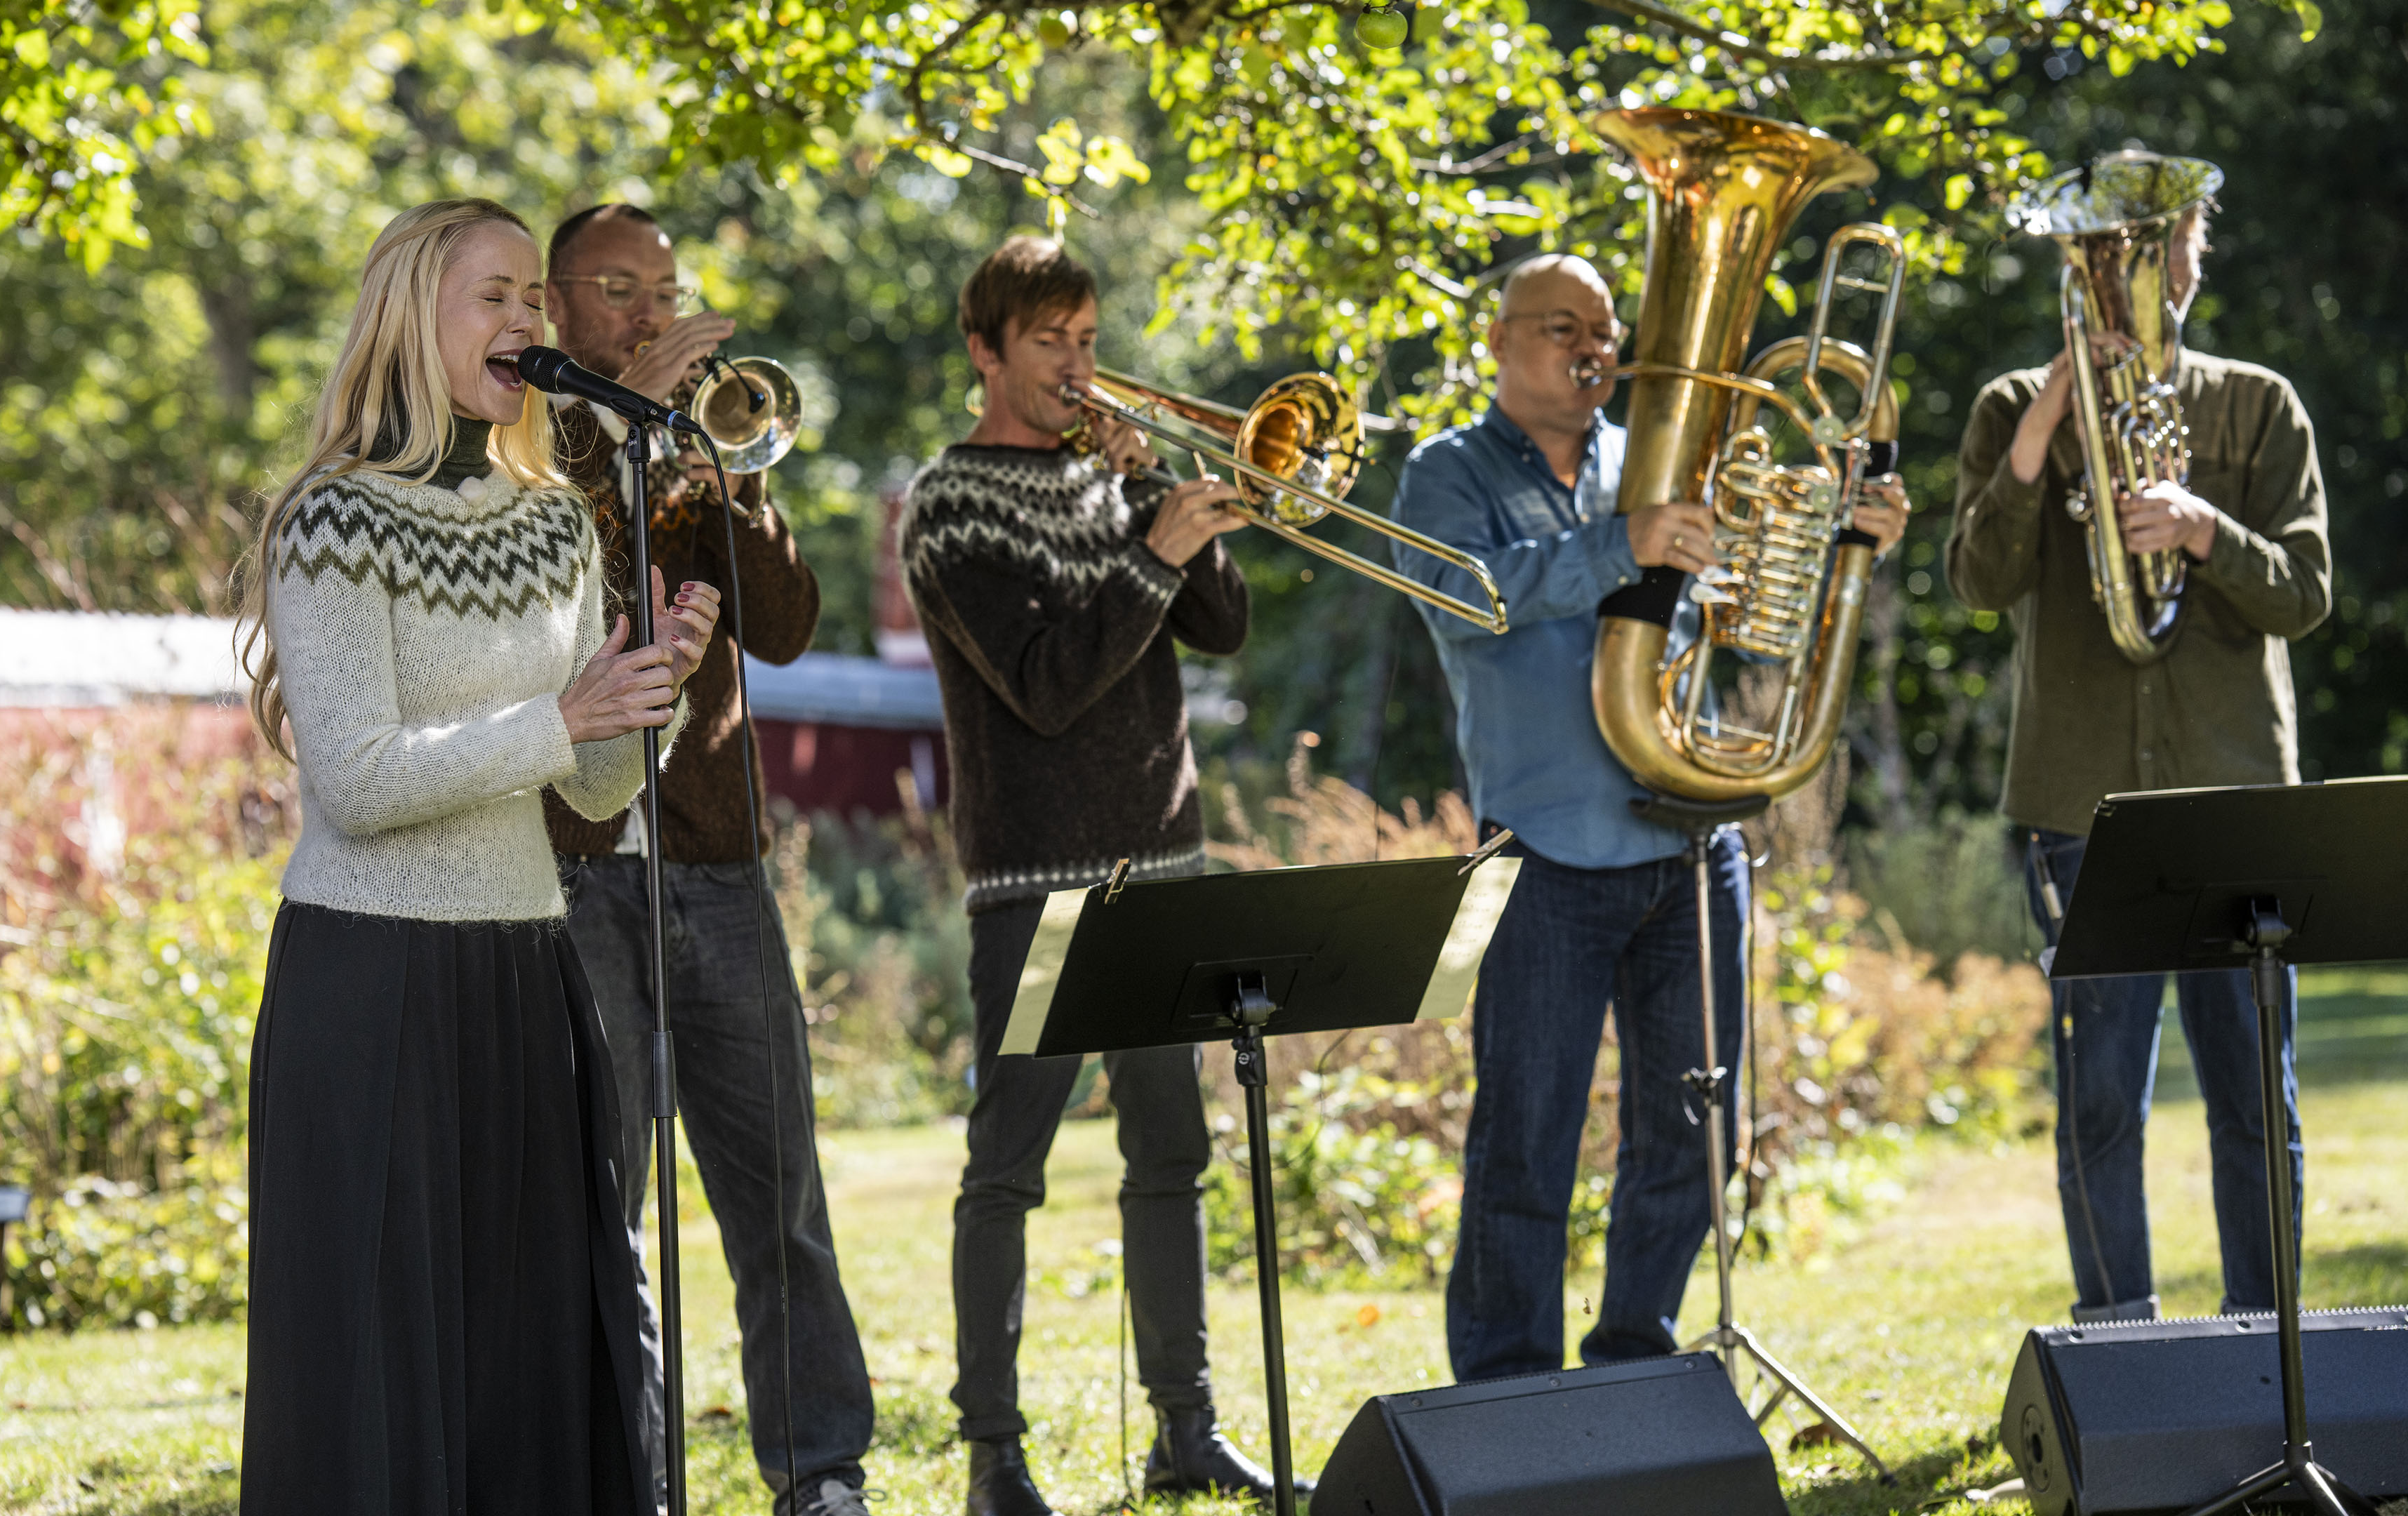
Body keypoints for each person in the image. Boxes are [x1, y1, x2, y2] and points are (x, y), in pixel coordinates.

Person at [232, 196, 720, 1514]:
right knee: (381, 1366)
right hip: (370, 987)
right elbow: (361, 781)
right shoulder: (332, 521)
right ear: (411, 316)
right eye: (494, 295)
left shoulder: (557, 523)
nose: (526, 321)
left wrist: (643, 696)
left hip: (524, 976)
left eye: (532, 301)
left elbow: (598, 788)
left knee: (533, 1356)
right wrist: (560, 714)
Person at [1388, 254, 1909, 1381]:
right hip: (1540, 851)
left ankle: (1639, 1368)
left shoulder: (1654, 459)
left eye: (1606, 329)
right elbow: (1463, 596)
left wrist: (1845, 541)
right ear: (1498, 340)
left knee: (1690, 1130)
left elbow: (1752, 610)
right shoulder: (1445, 471)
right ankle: (1507, 1394)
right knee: (1525, 1140)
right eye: (1562, 327)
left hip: (1687, 840)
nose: (1593, 349)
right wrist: (1623, 546)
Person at [900, 234, 1273, 1516]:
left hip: (1167, 866)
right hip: (1038, 883)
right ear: (986, 350)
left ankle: (1186, 1430)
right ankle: (994, 1460)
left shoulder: (1120, 488)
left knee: (1173, 1157)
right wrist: (1151, 548)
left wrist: (1167, 497)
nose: (1076, 365)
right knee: (1009, 1166)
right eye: (1049, 340)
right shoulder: (949, 503)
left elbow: (1220, 625)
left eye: (1089, 339)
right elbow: (1049, 690)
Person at [1949, 163, 2331, 1324]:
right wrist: (2048, 426)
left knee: (2255, 1101)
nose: (2145, 272)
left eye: (2167, 244)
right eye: (2119, 250)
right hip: (2083, 809)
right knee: (2100, 1102)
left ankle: (2271, 1350)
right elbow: (1976, 581)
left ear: (2196, 258)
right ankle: (2123, 1349)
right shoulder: (2012, 404)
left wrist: (2209, 531)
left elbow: (2307, 592)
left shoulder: (2258, 403)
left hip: (2237, 798)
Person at [538, 201, 873, 1516]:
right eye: (618, 287)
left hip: (716, 859)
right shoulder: (533, 442)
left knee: (777, 1184)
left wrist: (738, 483)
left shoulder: (700, 439)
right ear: (557, 303)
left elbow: (786, 627)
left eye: (665, 288)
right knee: (603, 1196)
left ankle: (822, 1473)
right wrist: (616, 420)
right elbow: (557, 593)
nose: (650, 313)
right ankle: (629, 1476)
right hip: (571, 859)